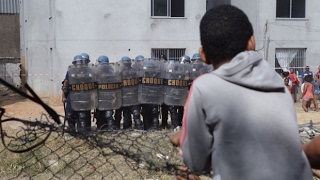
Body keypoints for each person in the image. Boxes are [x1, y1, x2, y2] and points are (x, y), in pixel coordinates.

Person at [171, 5, 312, 180]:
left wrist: (185, 140)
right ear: (251, 42)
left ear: (203, 55)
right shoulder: (276, 81)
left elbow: (195, 162)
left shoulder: (204, 86)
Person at [115, 56, 143, 130]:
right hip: (124, 96)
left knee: (136, 114)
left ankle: (139, 129)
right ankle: (127, 128)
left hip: (133, 95)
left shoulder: (134, 72)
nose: (125, 65)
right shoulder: (119, 72)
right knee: (126, 114)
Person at [94, 55, 118, 130]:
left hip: (107, 97)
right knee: (99, 114)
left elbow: (115, 84)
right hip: (99, 97)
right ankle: (101, 127)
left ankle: (111, 128)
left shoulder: (111, 73)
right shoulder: (96, 73)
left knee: (108, 114)